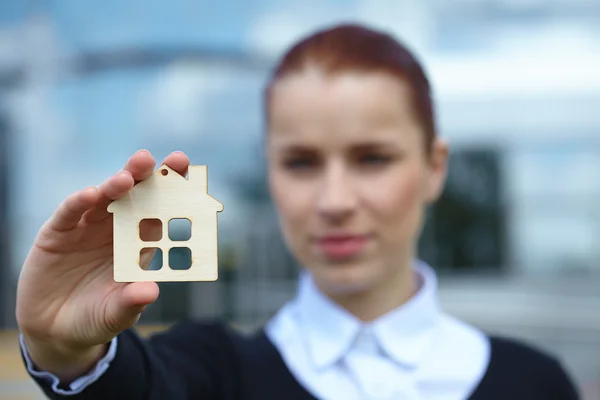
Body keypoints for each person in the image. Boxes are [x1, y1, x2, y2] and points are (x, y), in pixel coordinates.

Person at [15, 23, 580, 400]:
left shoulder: (535, 383)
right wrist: (64, 348)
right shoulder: (213, 372)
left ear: (434, 167)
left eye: (373, 158)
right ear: (271, 172)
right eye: (302, 163)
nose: (334, 202)